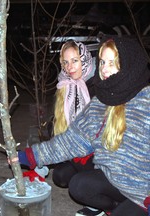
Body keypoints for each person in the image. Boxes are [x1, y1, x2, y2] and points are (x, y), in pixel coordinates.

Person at [18, 35, 150, 216]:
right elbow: (72, 140)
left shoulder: (145, 101)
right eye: (102, 62)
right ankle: (112, 208)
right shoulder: (100, 102)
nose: (104, 69)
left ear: (128, 64)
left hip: (144, 193)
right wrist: (32, 156)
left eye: (112, 63)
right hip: (114, 180)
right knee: (78, 185)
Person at [51, 40, 100, 216]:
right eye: (65, 62)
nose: (70, 67)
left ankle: (101, 203)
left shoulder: (99, 84)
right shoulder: (65, 86)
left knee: (79, 183)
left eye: (75, 60)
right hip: (79, 152)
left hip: (101, 152)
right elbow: (59, 127)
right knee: (60, 176)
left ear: (85, 59)